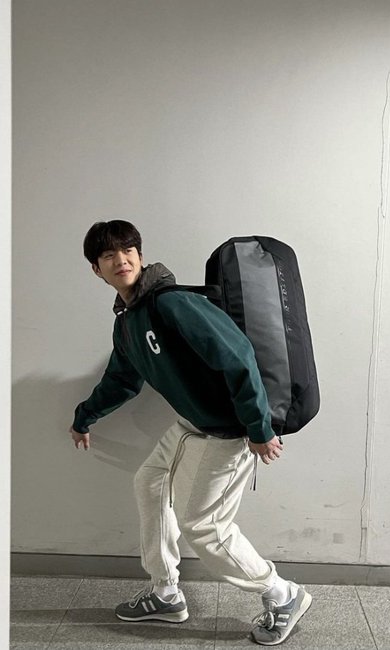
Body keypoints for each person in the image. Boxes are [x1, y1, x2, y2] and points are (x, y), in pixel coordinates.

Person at [70, 220, 312, 646]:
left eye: (127, 250)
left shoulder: (172, 303)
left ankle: (282, 594)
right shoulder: (128, 322)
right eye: (108, 255)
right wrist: (84, 417)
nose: (120, 259)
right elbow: (121, 380)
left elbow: (237, 354)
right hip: (190, 425)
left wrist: (258, 428)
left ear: (140, 256)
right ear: (97, 269)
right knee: (149, 483)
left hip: (227, 432)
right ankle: (165, 593)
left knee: (205, 527)